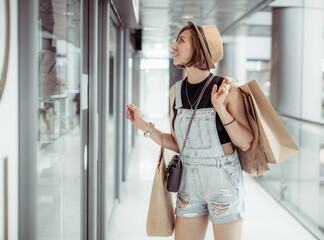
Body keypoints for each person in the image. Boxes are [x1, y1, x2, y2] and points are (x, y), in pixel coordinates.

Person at [125, 21, 254, 240]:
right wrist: (143, 125)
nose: (173, 46)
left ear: (200, 48)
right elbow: (178, 143)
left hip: (222, 181)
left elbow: (245, 142)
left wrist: (220, 108)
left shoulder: (227, 89)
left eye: (181, 41)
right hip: (188, 182)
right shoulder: (176, 92)